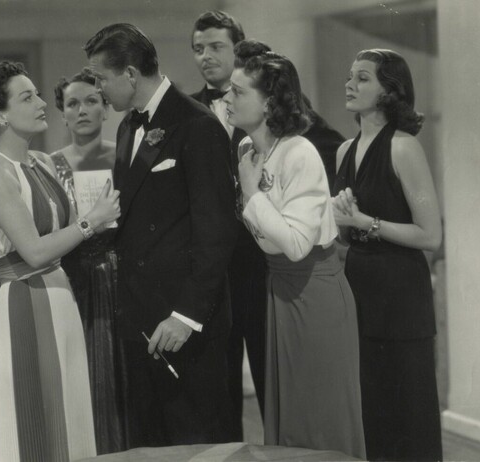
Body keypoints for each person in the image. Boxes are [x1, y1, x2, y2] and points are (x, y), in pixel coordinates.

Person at [190, 11, 345, 439]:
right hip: (237, 272)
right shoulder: (229, 134)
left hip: (285, 275)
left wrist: (257, 194)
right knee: (259, 403)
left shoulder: (296, 144)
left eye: (216, 47)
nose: (205, 57)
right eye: (198, 49)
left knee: (303, 402)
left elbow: (295, 236)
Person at [85, 23, 237, 448]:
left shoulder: (197, 124)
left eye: (101, 78)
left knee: (197, 442)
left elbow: (217, 231)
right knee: (150, 443)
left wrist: (185, 316)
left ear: (131, 75)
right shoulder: (126, 128)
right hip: (140, 315)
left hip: (183, 320)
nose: (98, 90)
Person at [0, 61, 120, 461]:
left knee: (69, 414)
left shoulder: (41, 161)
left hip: (61, 296)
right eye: (27, 98)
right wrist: (92, 221)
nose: (41, 104)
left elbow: (66, 234)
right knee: (36, 419)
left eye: (37, 94)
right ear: (0, 116)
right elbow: (35, 251)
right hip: (26, 300)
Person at [224, 40, 366, 459]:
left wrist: (251, 192)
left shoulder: (300, 152)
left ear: (269, 103)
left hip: (314, 293)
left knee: (320, 419)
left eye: (238, 92)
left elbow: (297, 244)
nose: (228, 99)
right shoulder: (248, 149)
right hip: (281, 291)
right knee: (292, 419)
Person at [333, 49, 442, 461]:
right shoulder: (344, 151)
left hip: (401, 295)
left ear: (388, 91)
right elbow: (347, 232)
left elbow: (430, 235)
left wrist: (366, 221)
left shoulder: (403, 148)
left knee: (408, 415)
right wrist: (342, 220)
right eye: (350, 76)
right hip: (359, 289)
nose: (350, 84)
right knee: (371, 412)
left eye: (362, 78)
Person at [51, 68, 127, 454]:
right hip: (72, 281)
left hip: (124, 281)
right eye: (72, 104)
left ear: (106, 108)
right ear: (63, 114)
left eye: (91, 101)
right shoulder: (48, 166)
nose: (82, 110)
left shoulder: (126, 158)